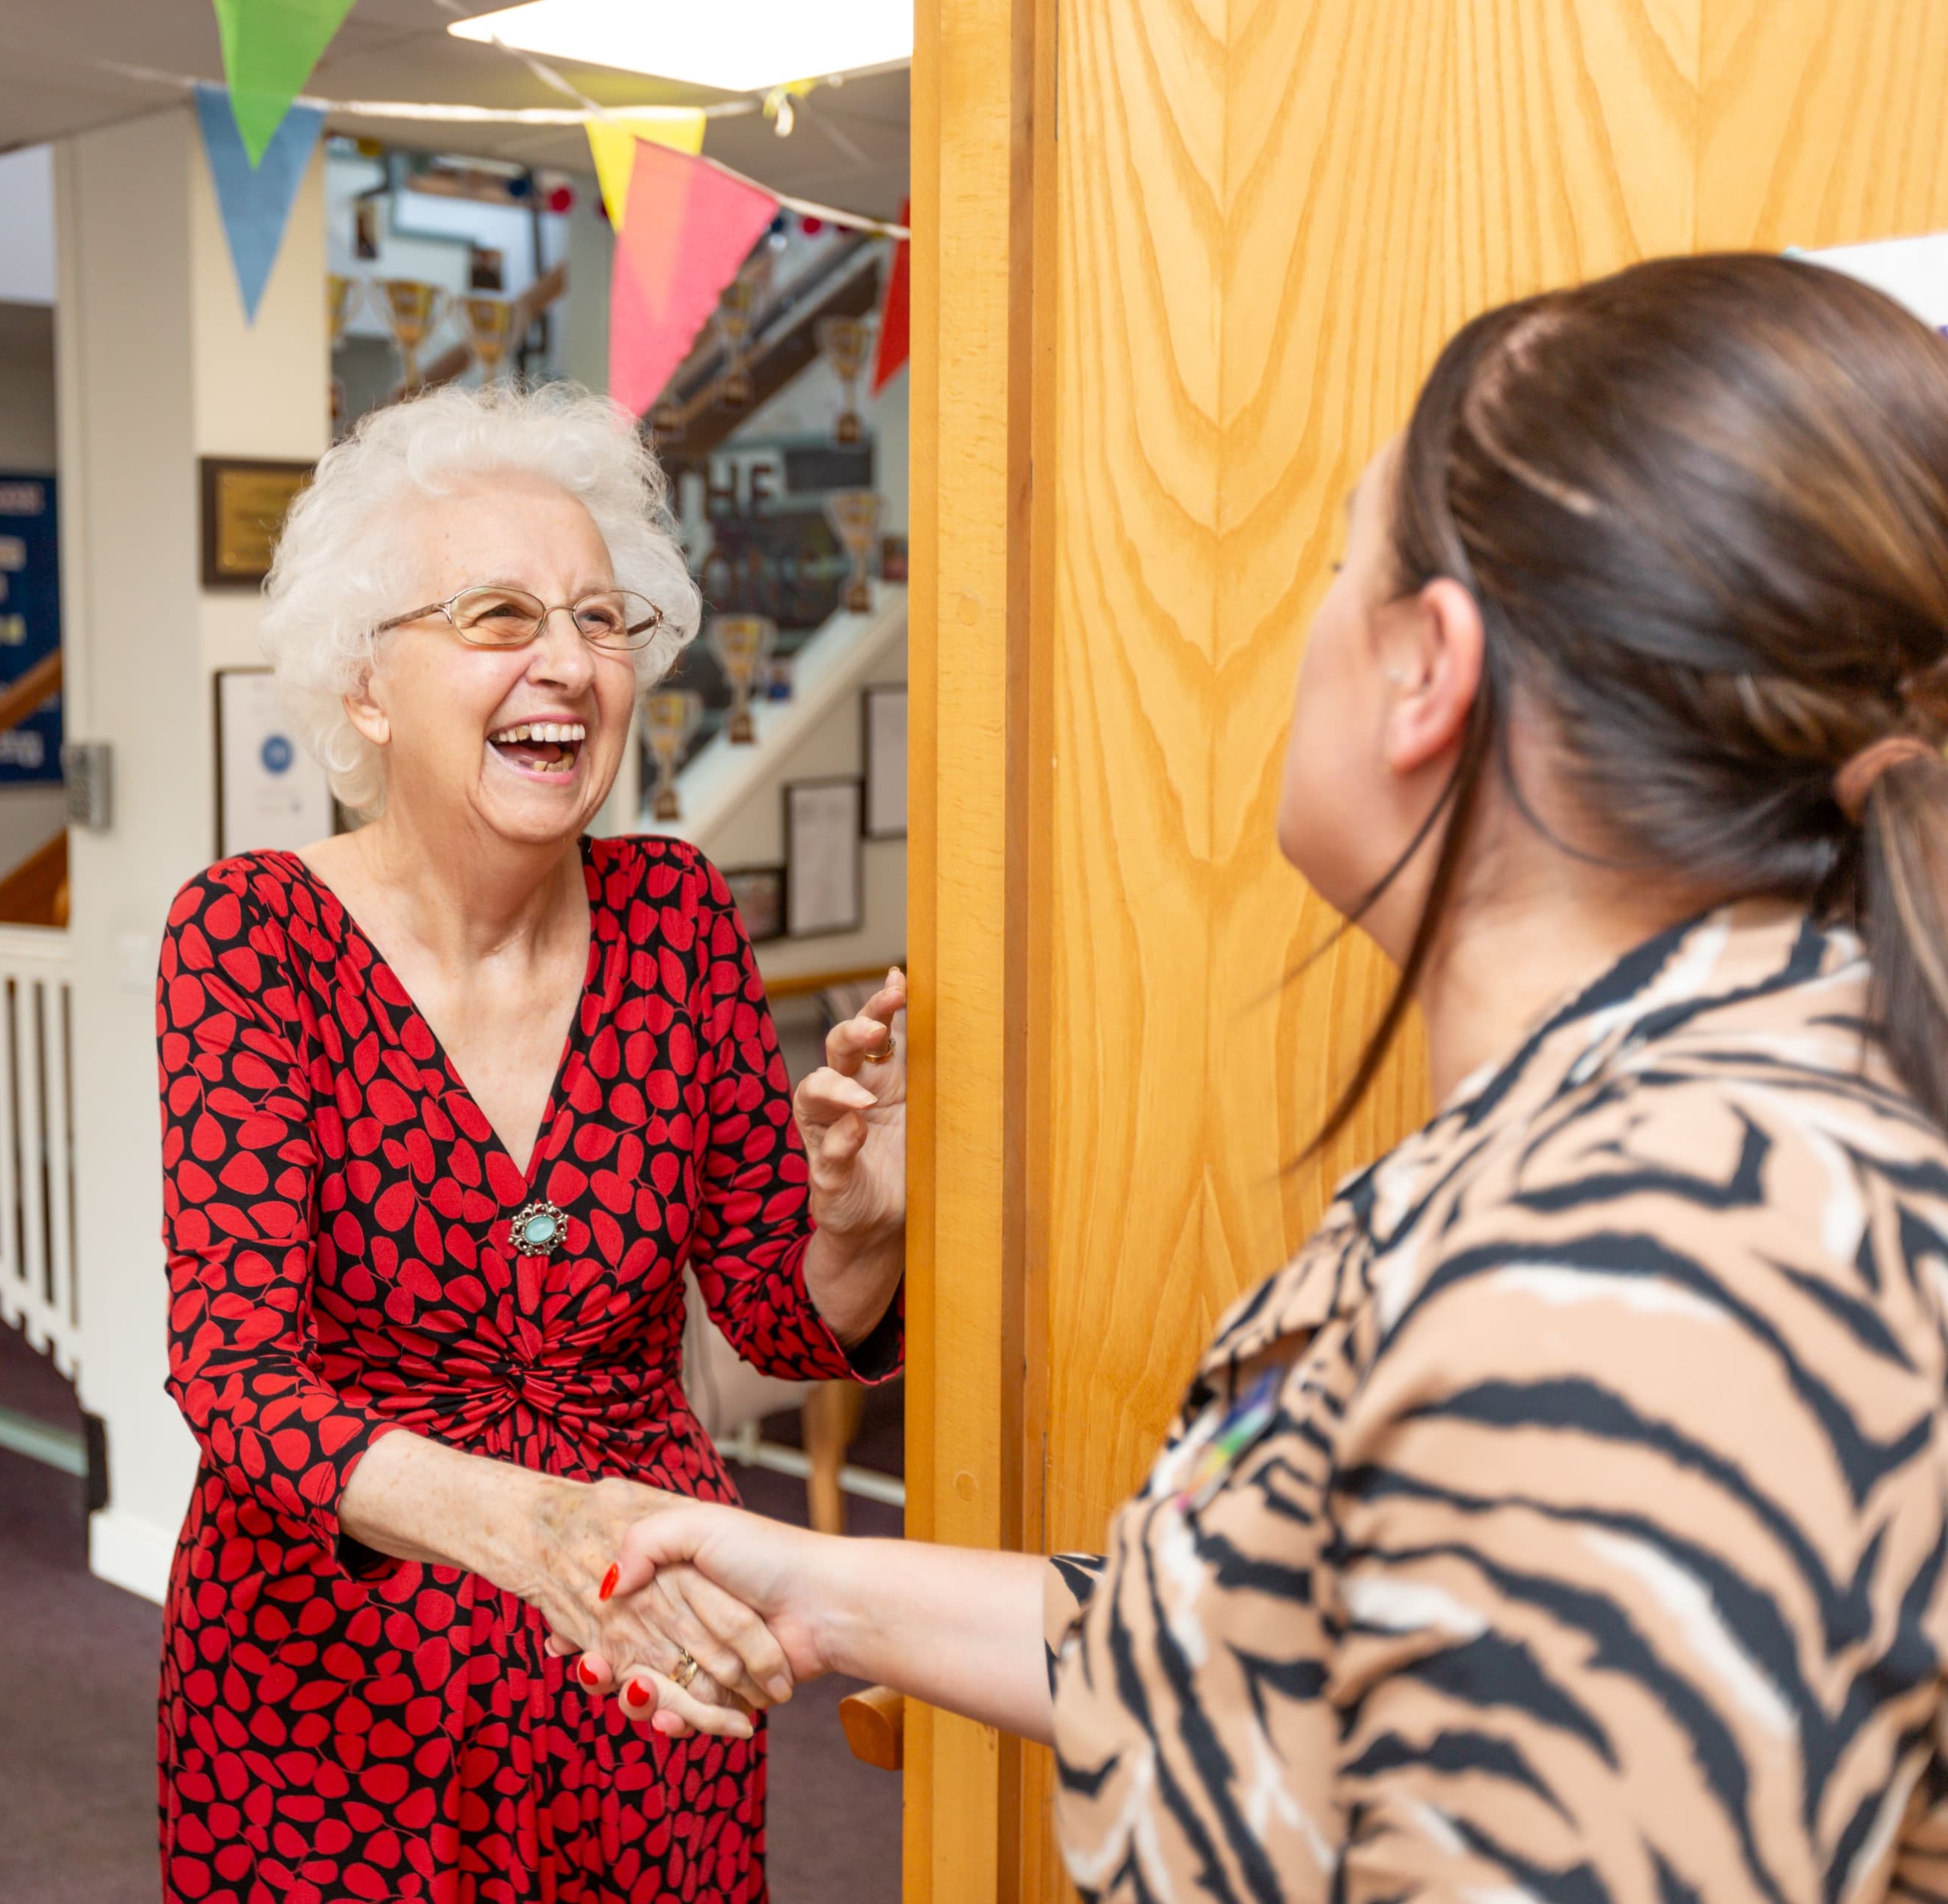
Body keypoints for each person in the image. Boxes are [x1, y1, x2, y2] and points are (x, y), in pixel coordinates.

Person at [582, 252, 1948, 1899]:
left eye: (1330, 566)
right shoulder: (1669, 1139)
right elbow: (1273, 1630)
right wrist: (822, 1586)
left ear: (1427, 669)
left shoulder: (1640, 1276)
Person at [153, 382, 909, 1902]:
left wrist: (859, 1226)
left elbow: (773, 1312)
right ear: (369, 688)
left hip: (642, 1665)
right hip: (326, 1686)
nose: (568, 660)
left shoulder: (676, 917)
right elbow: (235, 1373)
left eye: (601, 618)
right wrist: (539, 1529)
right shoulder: (250, 935)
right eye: (498, 614)